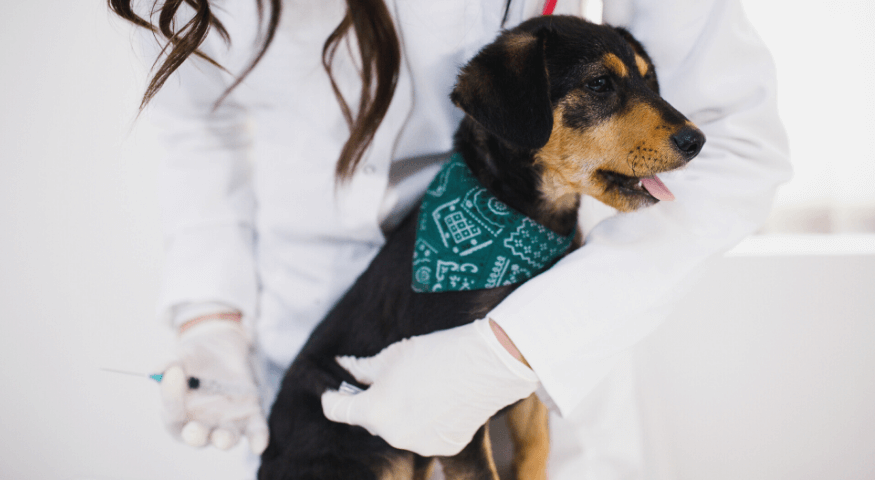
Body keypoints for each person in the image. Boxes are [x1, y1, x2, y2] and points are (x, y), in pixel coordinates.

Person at [111, 0, 790, 478]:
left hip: (545, 324)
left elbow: (734, 141)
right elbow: (200, 126)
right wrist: (211, 314)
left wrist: (510, 350)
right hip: (313, 361)